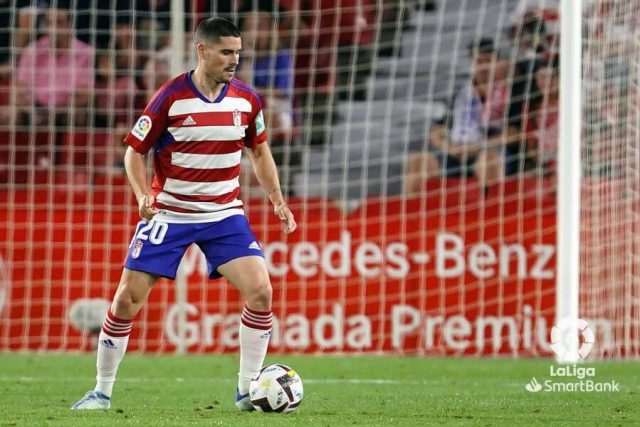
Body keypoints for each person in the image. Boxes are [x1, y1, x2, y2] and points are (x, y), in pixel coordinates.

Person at [71, 16, 297, 411]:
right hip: (170, 213)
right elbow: (134, 152)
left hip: (224, 214)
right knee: (126, 300)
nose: (234, 60)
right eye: (226, 52)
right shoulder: (170, 97)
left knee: (261, 292)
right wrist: (142, 195)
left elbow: (259, 151)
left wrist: (277, 199)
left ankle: (246, 390)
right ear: (202, 51)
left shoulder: (247, 100)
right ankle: (101, 393)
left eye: (238, 52)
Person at [15, 2, 94, 127]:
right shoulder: (32, 51)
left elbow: (84, 96)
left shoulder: (86, 53)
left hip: (66, 112)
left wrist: (53, 115)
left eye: (59, 23)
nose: (53, 28)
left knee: (78, 116)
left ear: (70, 25)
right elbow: (19, 91)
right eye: (49, 23)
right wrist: (34, 112)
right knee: (8, 115)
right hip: (34, 111)